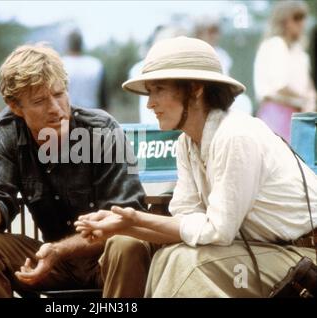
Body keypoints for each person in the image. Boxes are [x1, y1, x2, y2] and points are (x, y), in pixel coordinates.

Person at [75, 36, 317, 297]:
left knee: (187, 264)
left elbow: (218, 231)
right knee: (168, 256)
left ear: (195, 88)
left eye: (158, 89)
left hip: (302, 261)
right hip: (256, 251)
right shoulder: (187, 144)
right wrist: (122, 226)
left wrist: (136, 218)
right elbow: (185, 223)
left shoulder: (236, 135)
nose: (150, 103)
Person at [0, 43, 154, 298]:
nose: (56, 108)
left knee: (127, 243)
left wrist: (58, 251)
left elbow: (126, 224)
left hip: (105, 260)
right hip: (49, 261)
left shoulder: (102, 130)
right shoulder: (10, 131)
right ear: (15, 106)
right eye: (40, 101)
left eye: (60, 93)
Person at [254, 0, 316, 142]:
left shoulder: (298, 51)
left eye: (303, 18)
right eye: (296, 18)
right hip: (276, 112)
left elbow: (308, 86)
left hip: (298, 115)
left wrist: (310, 99)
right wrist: (306, 99)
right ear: (283, 21)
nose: (301, 23)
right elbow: (280, 85)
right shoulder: (274, 45)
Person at [62, 30, 108, 110]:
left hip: (66, 116)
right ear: (81, 44)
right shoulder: (96, 64)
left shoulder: (60, 64)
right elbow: (103, 98)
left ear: (68, 44)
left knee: (65, 123)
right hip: (90, 115)